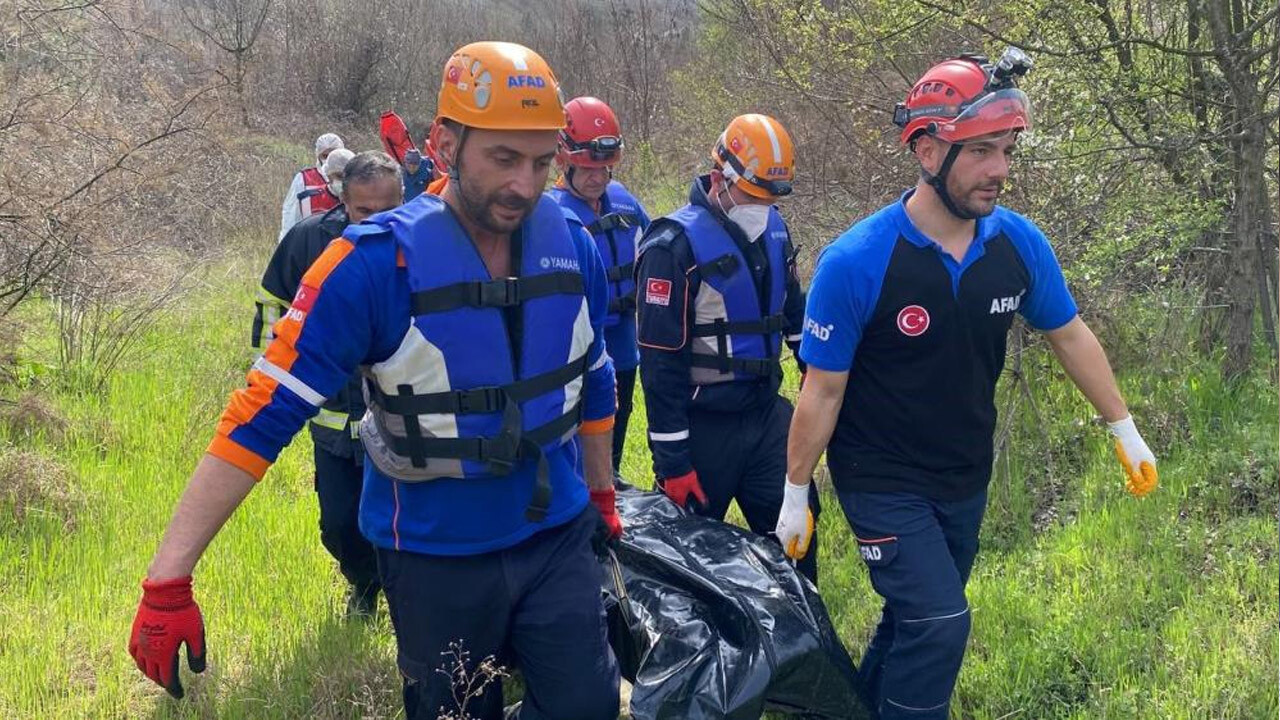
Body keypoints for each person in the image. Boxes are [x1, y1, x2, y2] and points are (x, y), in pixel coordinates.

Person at [128, 42, 622, 720]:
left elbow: (594, 381)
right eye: (503, 159)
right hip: (434, 552)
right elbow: (258, 415)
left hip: (555, 531)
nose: (525, 186)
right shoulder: (369, 266)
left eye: (541, 162)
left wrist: (602, 497)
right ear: (445, 145)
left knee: (588, 707)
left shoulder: (573, 244)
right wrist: (168, 580)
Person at [778, 49, 1159, 720]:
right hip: (881, 479)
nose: (1001, 170)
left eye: (1007, 149)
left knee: (913, 620)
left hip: (963, 477)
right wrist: (793, 493)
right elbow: (823, 390)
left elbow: (1068, 335)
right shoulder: (857, 262)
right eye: (981, 151)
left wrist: (1123, 428)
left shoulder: (1017, 245)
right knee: (941, 623)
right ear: (927, 150)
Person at [634, 113, 819, 582]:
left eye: (771, 200)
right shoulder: (671, 247)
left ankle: (803, 644)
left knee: (797, 540)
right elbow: (659, 366)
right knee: (689, 569)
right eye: (753, 197)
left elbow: (794, 319)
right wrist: (673, 462)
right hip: (702, 429)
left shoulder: (774, 232)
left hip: (765, 419)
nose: (762, 209)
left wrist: (817, 378)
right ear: (720, 179)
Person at [251, 151, 404, 619]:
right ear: (343, 202)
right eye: (365, 212)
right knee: (339, 523)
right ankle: (362, 584)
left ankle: (406, 600)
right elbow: (272, 303)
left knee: (402, 521)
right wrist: (272, 375)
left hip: (404, 418)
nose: (378, 223)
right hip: (334, 416)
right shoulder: (308, 240)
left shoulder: (424, 240)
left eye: (389, 210)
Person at [547, 96, 650, 478]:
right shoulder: (550, 216)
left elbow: (657, 255)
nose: (598, 176)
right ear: (563, 158)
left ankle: (610, 511)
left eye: (605, 168)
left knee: (611, 455)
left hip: (623, 352)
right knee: (574, 457)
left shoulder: (624, 203)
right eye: (588, 167)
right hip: (573, 360)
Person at [279, 132, 344, 241]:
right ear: (318, 155)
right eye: (325, 155)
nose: (328, 159)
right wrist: (286, 243)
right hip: (310, 241)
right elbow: (290, 214)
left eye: (333, 154)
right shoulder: (303, 179)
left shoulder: (352, 176)